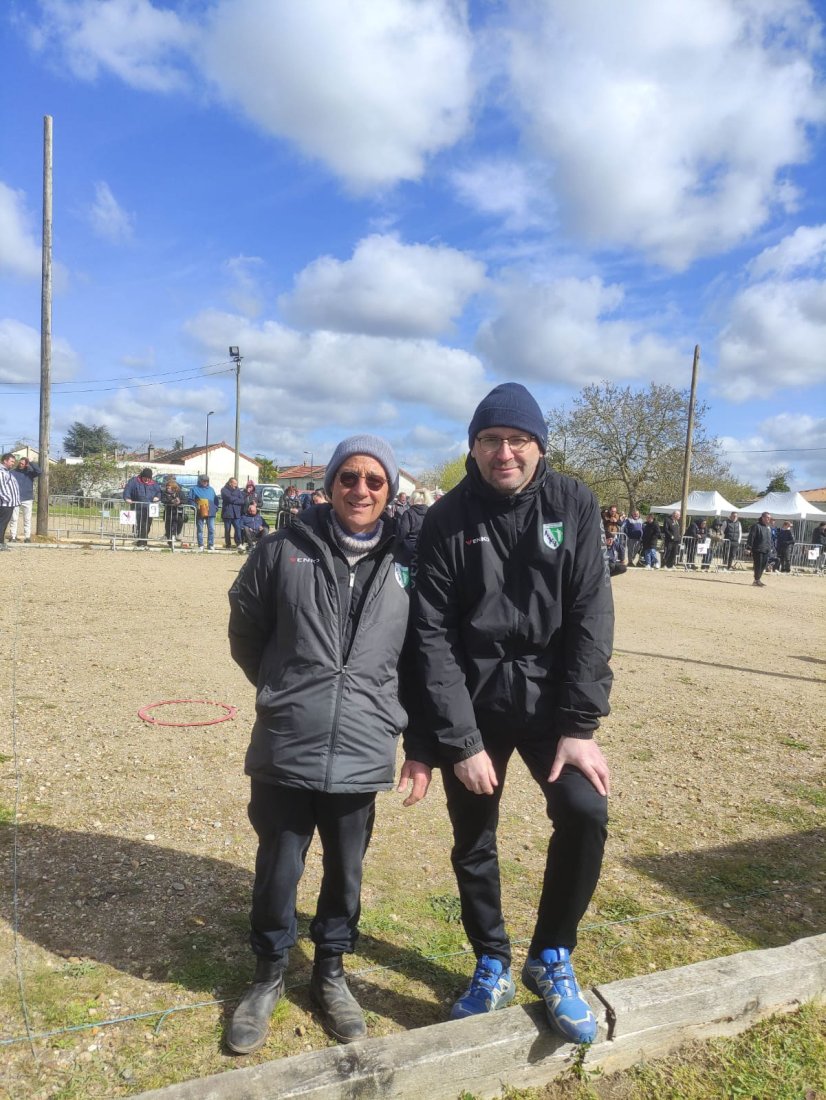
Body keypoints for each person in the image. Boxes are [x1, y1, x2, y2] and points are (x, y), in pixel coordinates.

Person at [411, 382, 613, 1045]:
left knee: (585, 811)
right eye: (492, 439)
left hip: (553, 702)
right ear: (473, 447)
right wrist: (458, 739)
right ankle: (491, 957)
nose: (506, 452)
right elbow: (431, 637)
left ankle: (551, 954)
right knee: (474, 834)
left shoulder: (573, 503)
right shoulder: (445, 520)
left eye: (518, 440)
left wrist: (579, 726)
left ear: (538, 448)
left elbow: (590, 612)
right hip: (473, 701)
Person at [226, 435, 429, 1054]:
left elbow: (423, 658)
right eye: (349, 477)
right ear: (330, 484)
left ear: (390, 492)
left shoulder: (410, 563)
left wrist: (408, 729)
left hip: (365, 745)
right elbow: (246, 630)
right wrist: (286, 687)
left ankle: (332, 972)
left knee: (346, 870)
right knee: (278, 867)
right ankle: (267, 975)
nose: (360, 490)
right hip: (288, 740)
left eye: (374, 480)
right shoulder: (280, 549)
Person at [122, 467, 160, 548]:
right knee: (140, 523)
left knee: (147, 524)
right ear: (142, 476)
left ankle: (143, 539)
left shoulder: (154, 483)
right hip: (137, 506)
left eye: (148, 478)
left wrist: (157, 497)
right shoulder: (134, 481)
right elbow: (127, 489)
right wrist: (127, 498)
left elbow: (159, 492)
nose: (147, 480)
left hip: (150, 507)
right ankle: (141, 541)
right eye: (145, 478)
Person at [395, 488, 432, 567]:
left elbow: (403, 532)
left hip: (410, 550)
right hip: (427, 548)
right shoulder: (431, 512)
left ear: (413, 499)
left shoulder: (408, 513)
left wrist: (397, 542)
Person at [9, 457, 41, 542]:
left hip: (27, 499)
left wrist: (31, 462)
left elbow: (39, 471)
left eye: (23, 463)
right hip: (15, 498)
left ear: (26, 464)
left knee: (27, 519)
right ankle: (13, 537)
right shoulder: (12, 472)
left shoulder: (30, 473)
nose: (21, 464)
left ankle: (27, 537)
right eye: (20, 462)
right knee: (14, 519)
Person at [188, 475, 220, 551]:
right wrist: (195, 506)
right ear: (200, 481)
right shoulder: (194, 489)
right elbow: (190, 499)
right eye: (204, 481)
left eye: (207, 481)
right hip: (200, 511)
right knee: (200, 529)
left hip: (211, 511)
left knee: (211, 529)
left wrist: (215, 507)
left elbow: (216, 500)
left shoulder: (211, 489)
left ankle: (211, 544)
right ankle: (201, 545)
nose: (205, 482)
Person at [0, 453, 21, 550]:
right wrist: (8, 498)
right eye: (11, 461)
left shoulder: (6, 471)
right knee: (2, 523)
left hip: (10, 503)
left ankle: (1, 542)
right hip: (5, 503)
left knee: (4, 524)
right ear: (5, 460)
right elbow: (2, 487)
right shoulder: (1, 472)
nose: (13, 463)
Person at [746, 512, 773, 587]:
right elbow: (751, 537)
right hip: (758, 549)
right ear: (763, 517)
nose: (769, 519)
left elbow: (769, 539)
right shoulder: (756, 526)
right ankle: (756, 580)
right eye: (767, 517)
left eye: (769, 518)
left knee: (763, 566)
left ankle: (758, 579)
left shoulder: (768, 527)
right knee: (758, 565)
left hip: (766, 549)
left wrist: (770, 548)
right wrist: (748, 548)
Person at [161, 477, 186, 547]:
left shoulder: (180, 493)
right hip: (169, 512)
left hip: (178, 512)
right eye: (167, 487)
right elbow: (163, 500)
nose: (167, 488)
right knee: (168, 526)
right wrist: (171, 501)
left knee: (180, 522)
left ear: (173, 487)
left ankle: (177, 534)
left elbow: (185, 500)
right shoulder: (165, 493)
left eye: (169, 487)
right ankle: (169, 541)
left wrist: (179, 501)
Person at [221, 477, 245, 548]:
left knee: (238, 529)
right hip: (227, 513)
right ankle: (228, 544)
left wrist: (234, 500)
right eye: (234, 483)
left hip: (236, 513)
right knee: (227, 530)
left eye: (236, 483)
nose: (236, 485)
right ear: (230, 483)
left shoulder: (238, 490)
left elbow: (242, 500)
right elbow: (229, 498)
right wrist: (236, 499)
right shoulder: (224, 490)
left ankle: (239, 544)